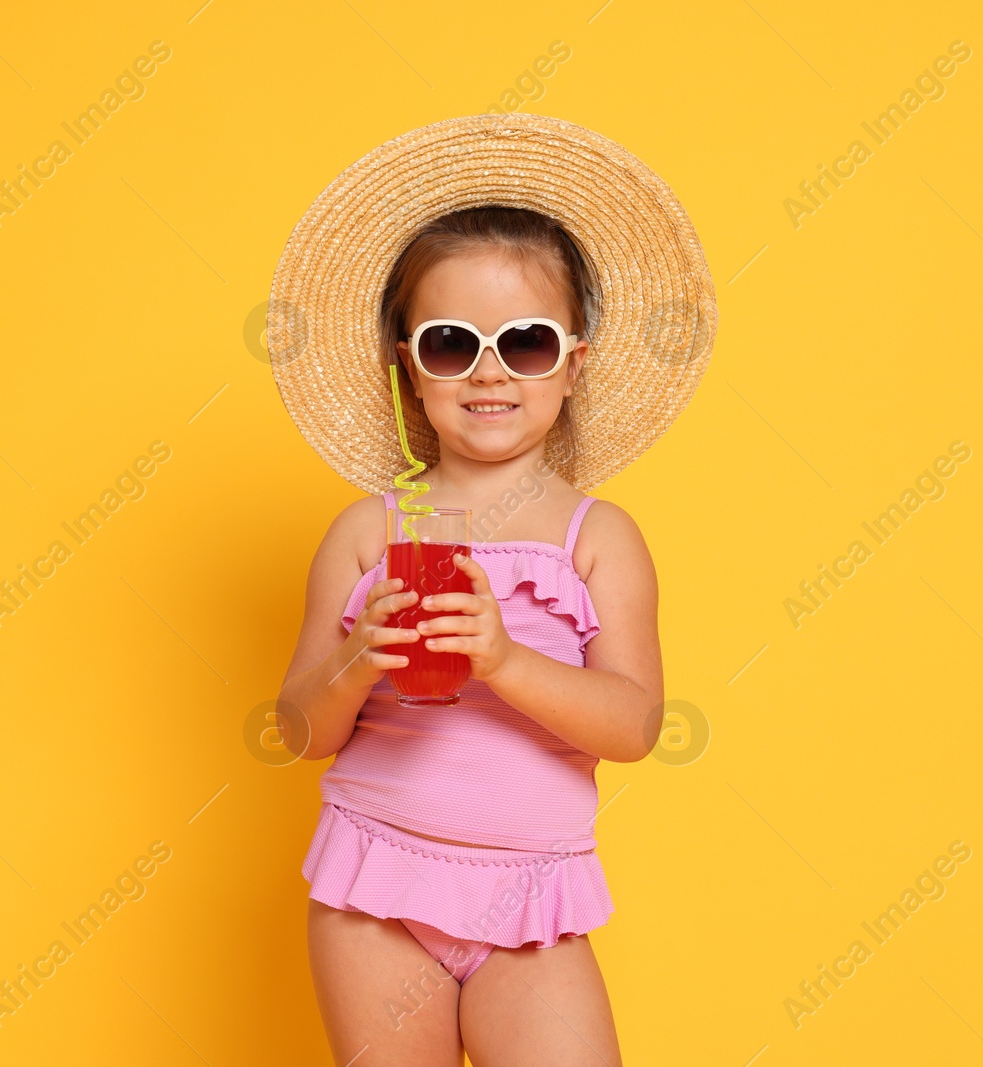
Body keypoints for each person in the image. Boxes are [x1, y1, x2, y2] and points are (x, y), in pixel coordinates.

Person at [268, 114, 718, 1067]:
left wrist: (504, 659)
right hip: (376, 890)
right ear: (406, 363)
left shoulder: (596, 540)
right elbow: (301, 730)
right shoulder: (367, 533)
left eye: (523, 342)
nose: (486, 371)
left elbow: (634, 726)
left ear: (572, 362)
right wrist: (356, 661)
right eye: (447, 343)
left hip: (533, 900)